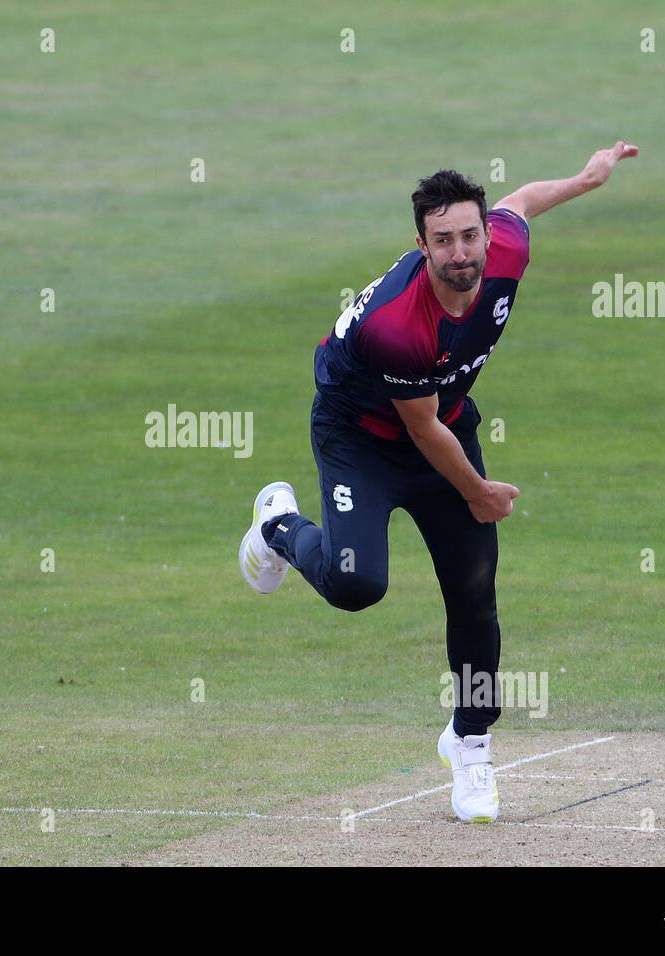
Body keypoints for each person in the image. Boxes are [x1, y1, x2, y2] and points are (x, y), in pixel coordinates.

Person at [238, 142, 639, 822]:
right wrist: (478, 493)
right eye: (443, 240)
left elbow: (522, 202)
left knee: (474, 588)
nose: (462, 252)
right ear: (421, 245)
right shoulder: (398, 324)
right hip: (361, 437)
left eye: (470, 235)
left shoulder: (505, 246)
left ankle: (471, 740)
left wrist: (584, 179)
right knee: (357, 585)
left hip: (443, 422)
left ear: (486, 234)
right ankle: (279, 526)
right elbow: (421, 432)